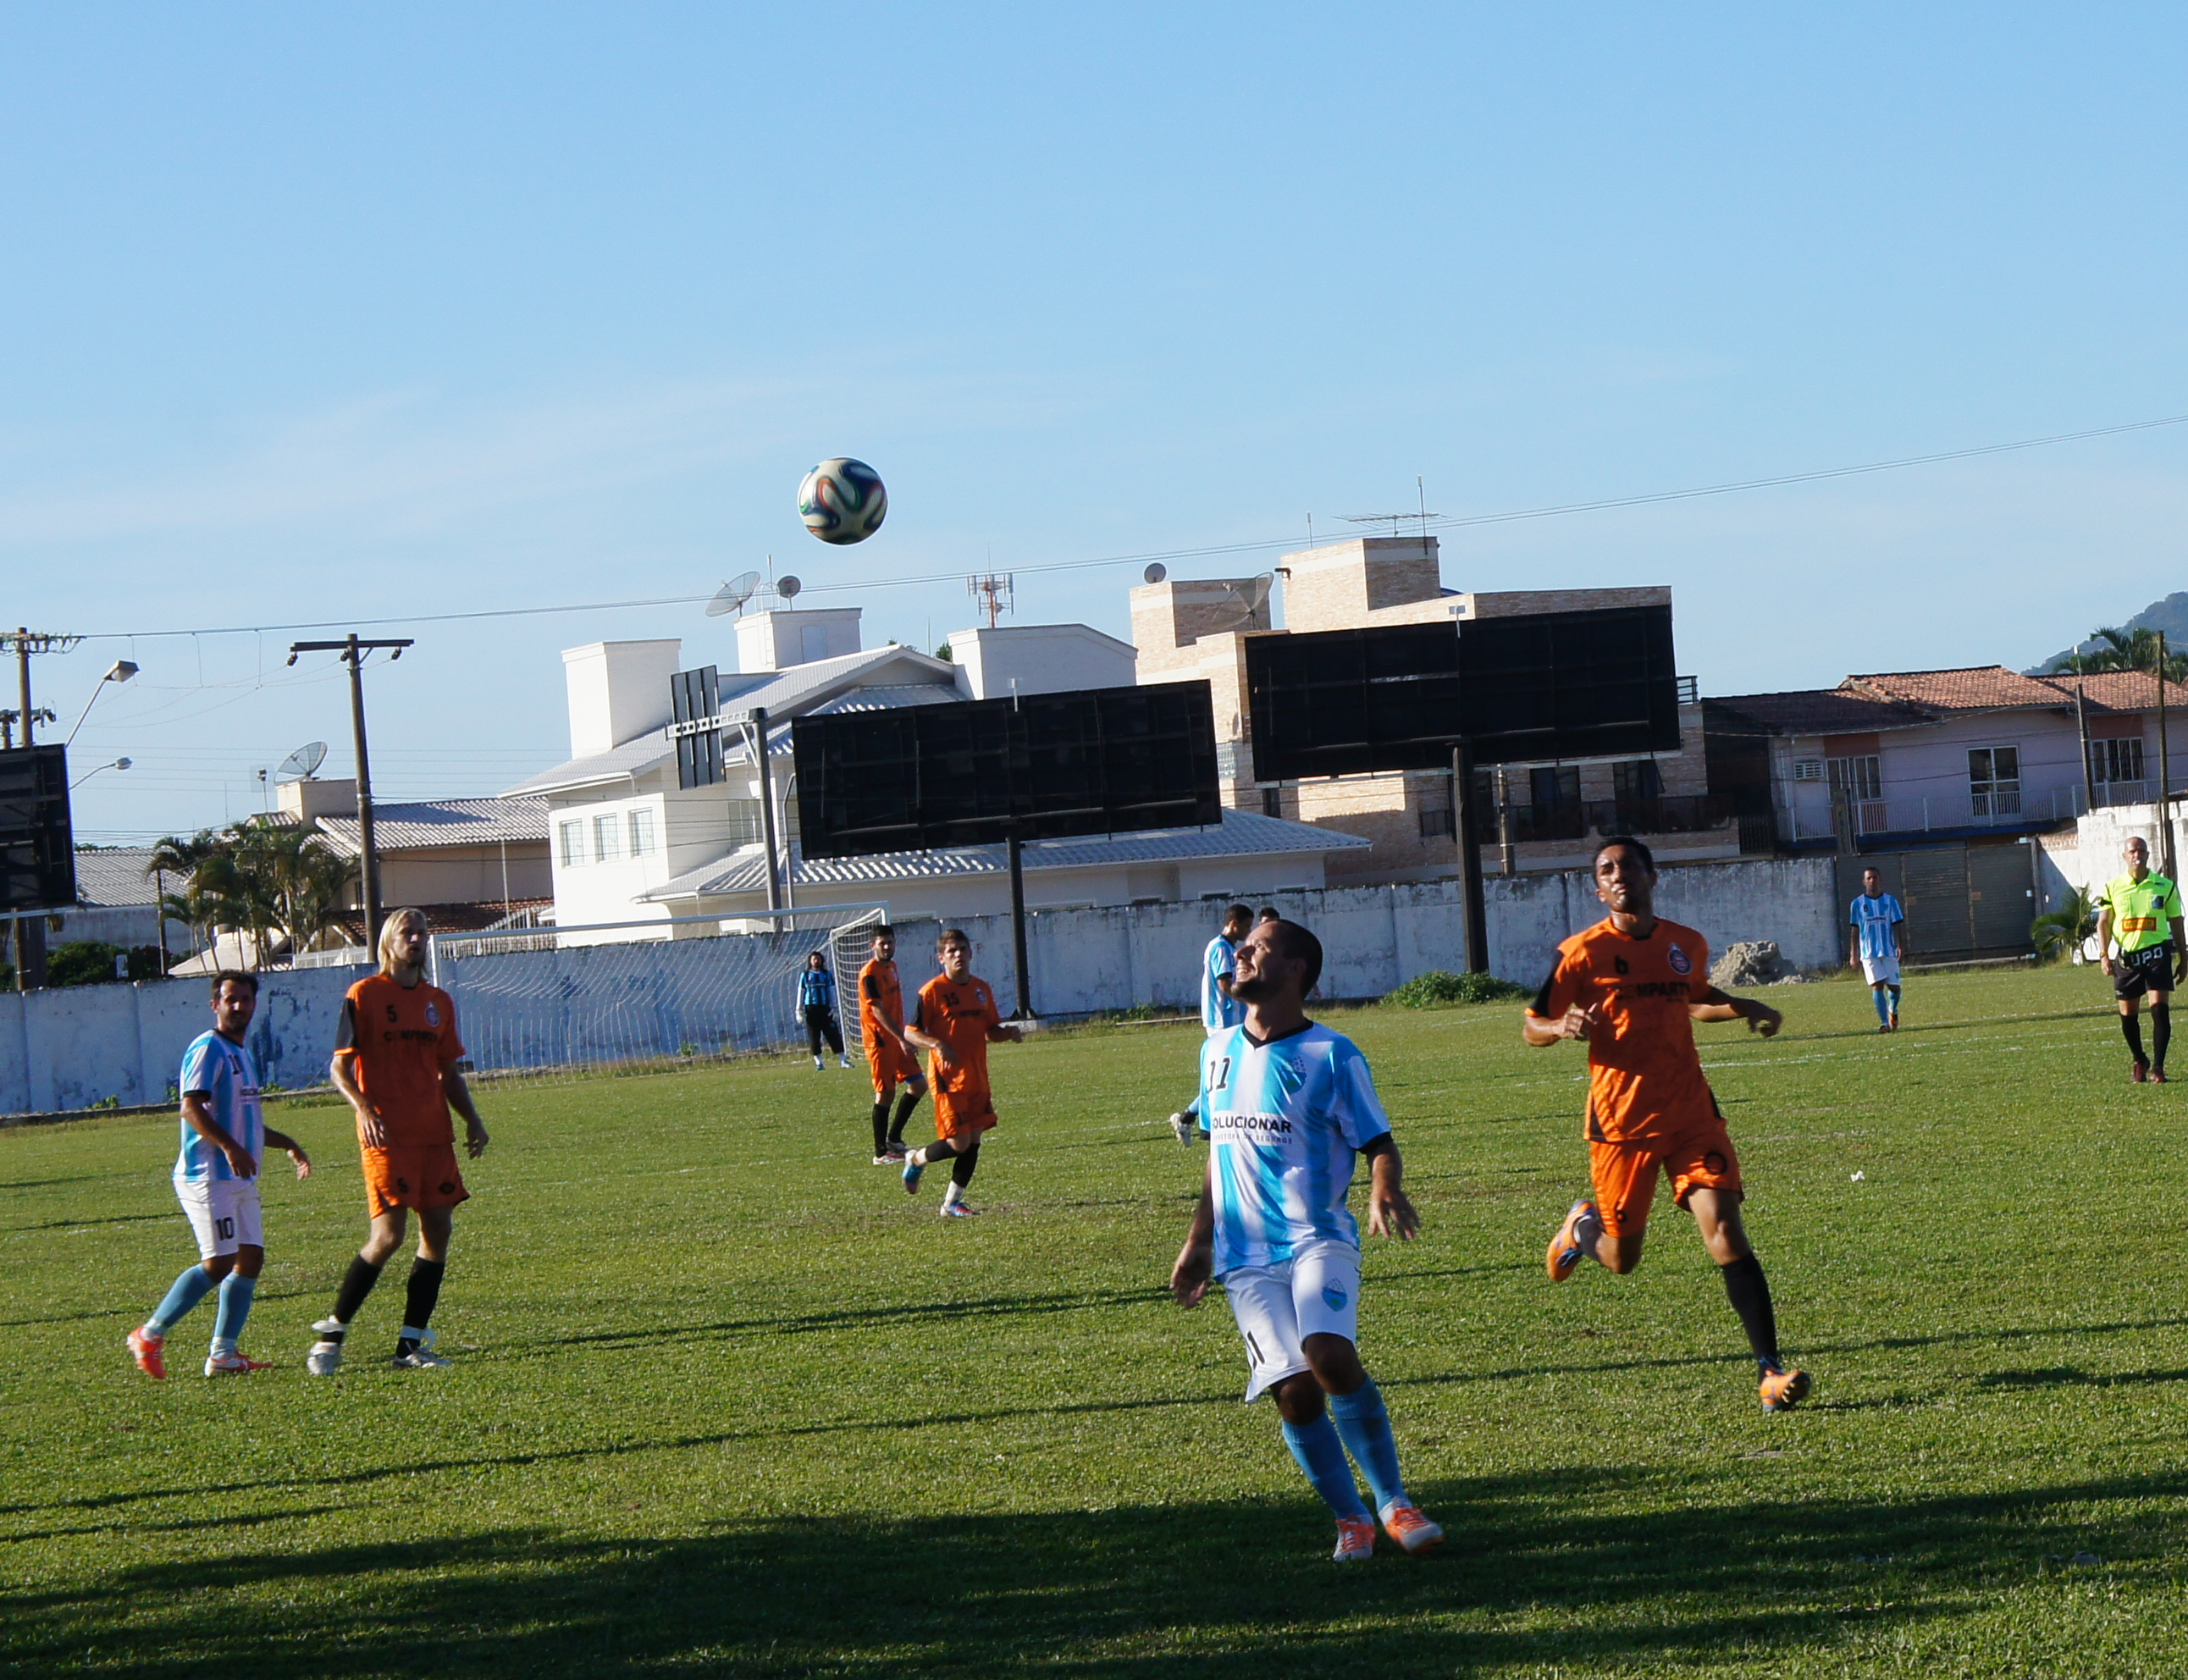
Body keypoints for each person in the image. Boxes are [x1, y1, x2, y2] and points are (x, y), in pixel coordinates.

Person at [1169, 918, 1444, 1563]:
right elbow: (1218, 1156)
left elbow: (1378, 1142)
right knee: (1293, 1391)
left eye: (1257, 948)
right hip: (1244, 1256)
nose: (1240, 954)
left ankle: (1395, 1502)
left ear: (1295, 970)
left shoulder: (1334, 1054)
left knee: (1328, 1355)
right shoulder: (1216, 1053)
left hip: (1318, 1238)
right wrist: (1197, 1242)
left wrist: (1384, 1186)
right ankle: (1351, 1519)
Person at [1528, 837, 1811, 1412]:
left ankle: (1769, 1373)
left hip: (1690, 1116)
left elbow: (1697, 999)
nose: (1619, 874)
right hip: (1621, 1125)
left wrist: (1743, 1007)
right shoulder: (1580, 953)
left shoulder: (1687, 944)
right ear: (1597, 888)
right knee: (1620, 1258)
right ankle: (1581, 1229)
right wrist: (1560, 1029)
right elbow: (1532, 1024)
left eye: (1629, 864)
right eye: (1607, 869)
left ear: (1652, 876)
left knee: (1727, 1233)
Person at [307, 908, 490, 1374]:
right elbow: (338, 1068)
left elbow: (448, 1072)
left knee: (440, 1231)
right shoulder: (364, 995)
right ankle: (332, 1334)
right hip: (386, 1135)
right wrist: (364, 1107)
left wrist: (471, 1118)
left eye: (423, 932)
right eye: (408, 932)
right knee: (388, 1237)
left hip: (433, 1135)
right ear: (389, 940)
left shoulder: (439, 1002)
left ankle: (410, 1345)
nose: (417, 939)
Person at [126, 972, 312, 1379]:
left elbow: (247, 1122)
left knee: (251, 1259)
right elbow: (190, 1109)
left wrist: (289, 1144)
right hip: (207, 1174)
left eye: (246, 999)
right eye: (231, 999)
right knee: (220, 1261)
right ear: (216, 1004)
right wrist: (229, 1148)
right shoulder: (207, 1048)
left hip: (238, 1178)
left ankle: (223, 1354)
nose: (239, 1006)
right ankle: (149, 1333)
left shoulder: (242, 1053)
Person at [900, 929, 1023, 1217]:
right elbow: (911, 1031)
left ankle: (952, 1203)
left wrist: (1009, 1033)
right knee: (958, 1143)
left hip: (977, 1076)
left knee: (975, 1140)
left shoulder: (982, 990)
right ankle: (916, 1159)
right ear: (941, 958)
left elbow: (990, 1030)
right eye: (951, 951)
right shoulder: (932, 991)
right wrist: (937, 1044)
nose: (958, 955)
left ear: (971, 953)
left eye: (962, 949)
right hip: (947, 1079)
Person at [2095, 835, 2186, 1084]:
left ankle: (2158, 1067)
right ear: (2125, 856)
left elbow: (2177, 922)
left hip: (2157, 954)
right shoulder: (2112, 887)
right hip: (2126, 958)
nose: (2137, 855)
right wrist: (2104, 955)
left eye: (2141, 851)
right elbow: (2103, 922)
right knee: (2128, 1016)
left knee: (2159, 1011)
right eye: (2132, 851)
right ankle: (2140, 1059)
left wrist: (2184, 957)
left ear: (2147, 855)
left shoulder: (2165, 886)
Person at [1169, 904, 1253, 1144]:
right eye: (1246, 926)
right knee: (1223, 1076)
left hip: (1230, 1019)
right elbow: (1224, 984)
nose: (1248, 932)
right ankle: (1208, 1126)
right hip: (1221, 1020)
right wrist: (1249, 998)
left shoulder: (1228, 947)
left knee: (1227, 1075)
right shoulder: (1220, 947)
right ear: (1234, 924)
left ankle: (1186, 1119)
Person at [858, 926, 928, 1164]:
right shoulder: (870, 973)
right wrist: (901, 1038)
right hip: (880, 1041)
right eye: (881, 943)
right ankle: (880, 1153)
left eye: (890, 942)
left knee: (918, 1085)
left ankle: (894, 1138)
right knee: (885, 1093)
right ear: (873, 945)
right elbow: (877, 1010)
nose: (887, 946)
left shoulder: (893, 968)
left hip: (898, 1040)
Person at [1848, 866, 1908, 1031]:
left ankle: (1892, 1010)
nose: (1872, 881)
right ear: (1864, 881)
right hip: (1869, 953)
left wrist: (1900, 946)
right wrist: (1854, 954)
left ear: (1880, 880)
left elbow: (1898, 925)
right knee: (1877, 985)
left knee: (1894, 988)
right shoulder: (1857, 904)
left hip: (1888, 950)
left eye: (1875, 877)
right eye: (1869, 878)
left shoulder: (1890, 901)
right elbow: (1854, 930)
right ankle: (1884, 1023)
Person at [798, 951, 851, 1071]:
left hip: (825, 1009)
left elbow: (832, 990)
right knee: (814, 1036)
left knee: (833, 1034)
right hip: (811, 1009)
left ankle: (843, 1060)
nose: (816, 961)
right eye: (814, 959)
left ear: (822, 960)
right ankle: (819, 1063)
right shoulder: (805, 975)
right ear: (810, 961)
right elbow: (800, 992)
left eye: (818, 959)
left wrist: (835, 1008)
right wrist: (799, 1009)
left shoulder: (827, 974)